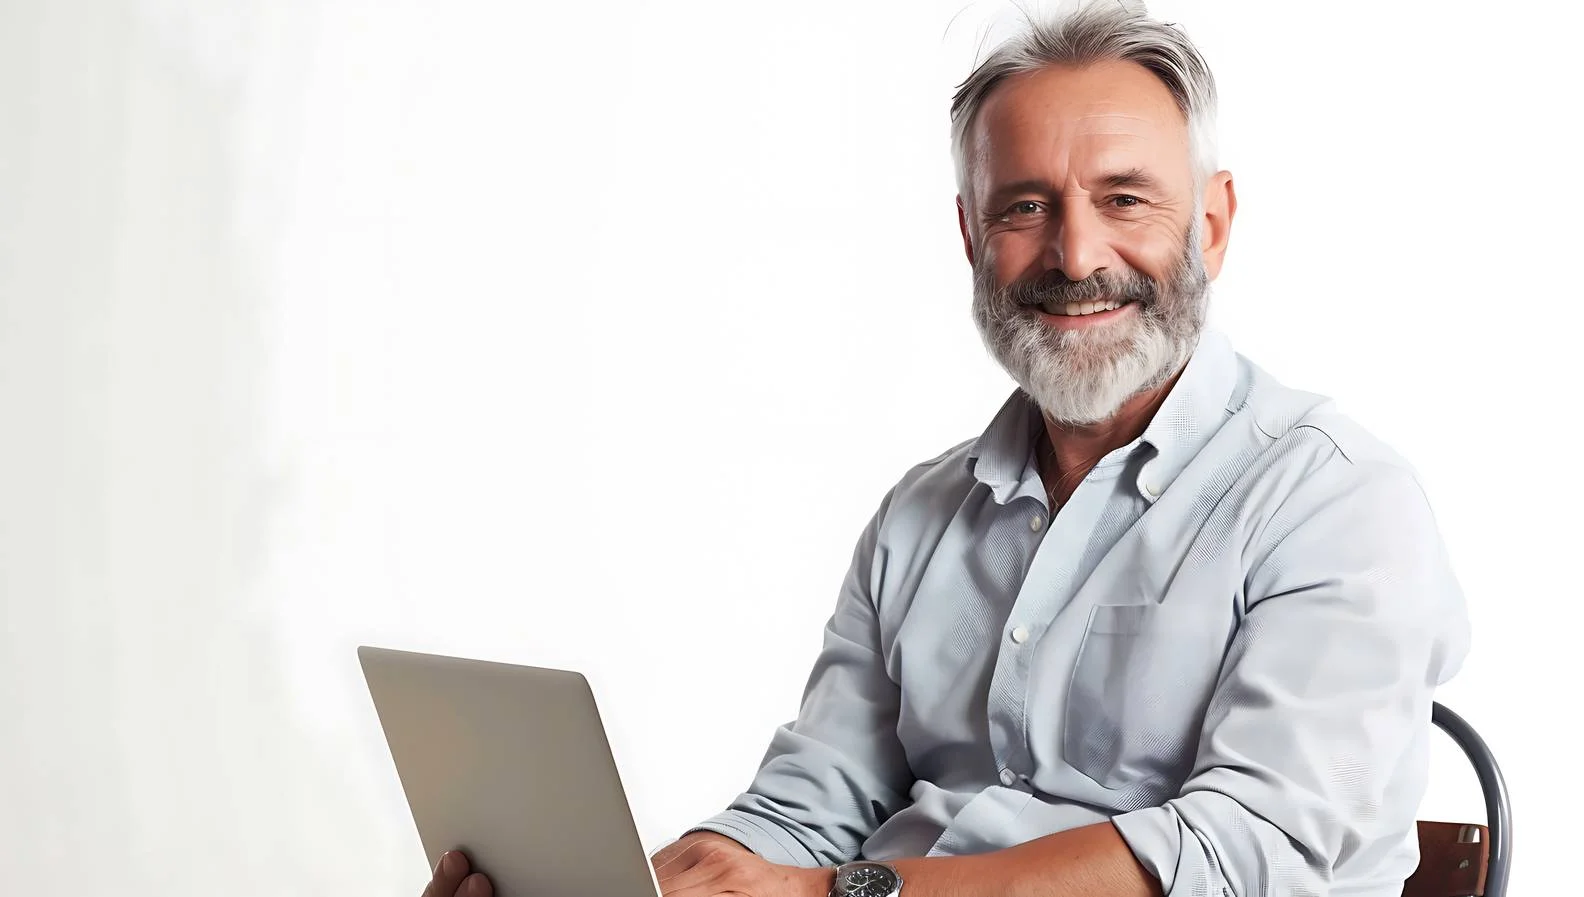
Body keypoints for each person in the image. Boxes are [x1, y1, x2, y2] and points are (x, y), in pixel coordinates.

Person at [423, 2, 1470, 895]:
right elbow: (812, 802)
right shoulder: (920, 518)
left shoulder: (1336, 503)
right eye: (1025, 207)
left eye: (1124, 200)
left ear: (1213, 221)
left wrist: (844, 891)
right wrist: (678, 875)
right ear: (971, 236)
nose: (1074, 254)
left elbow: (1246, 852)